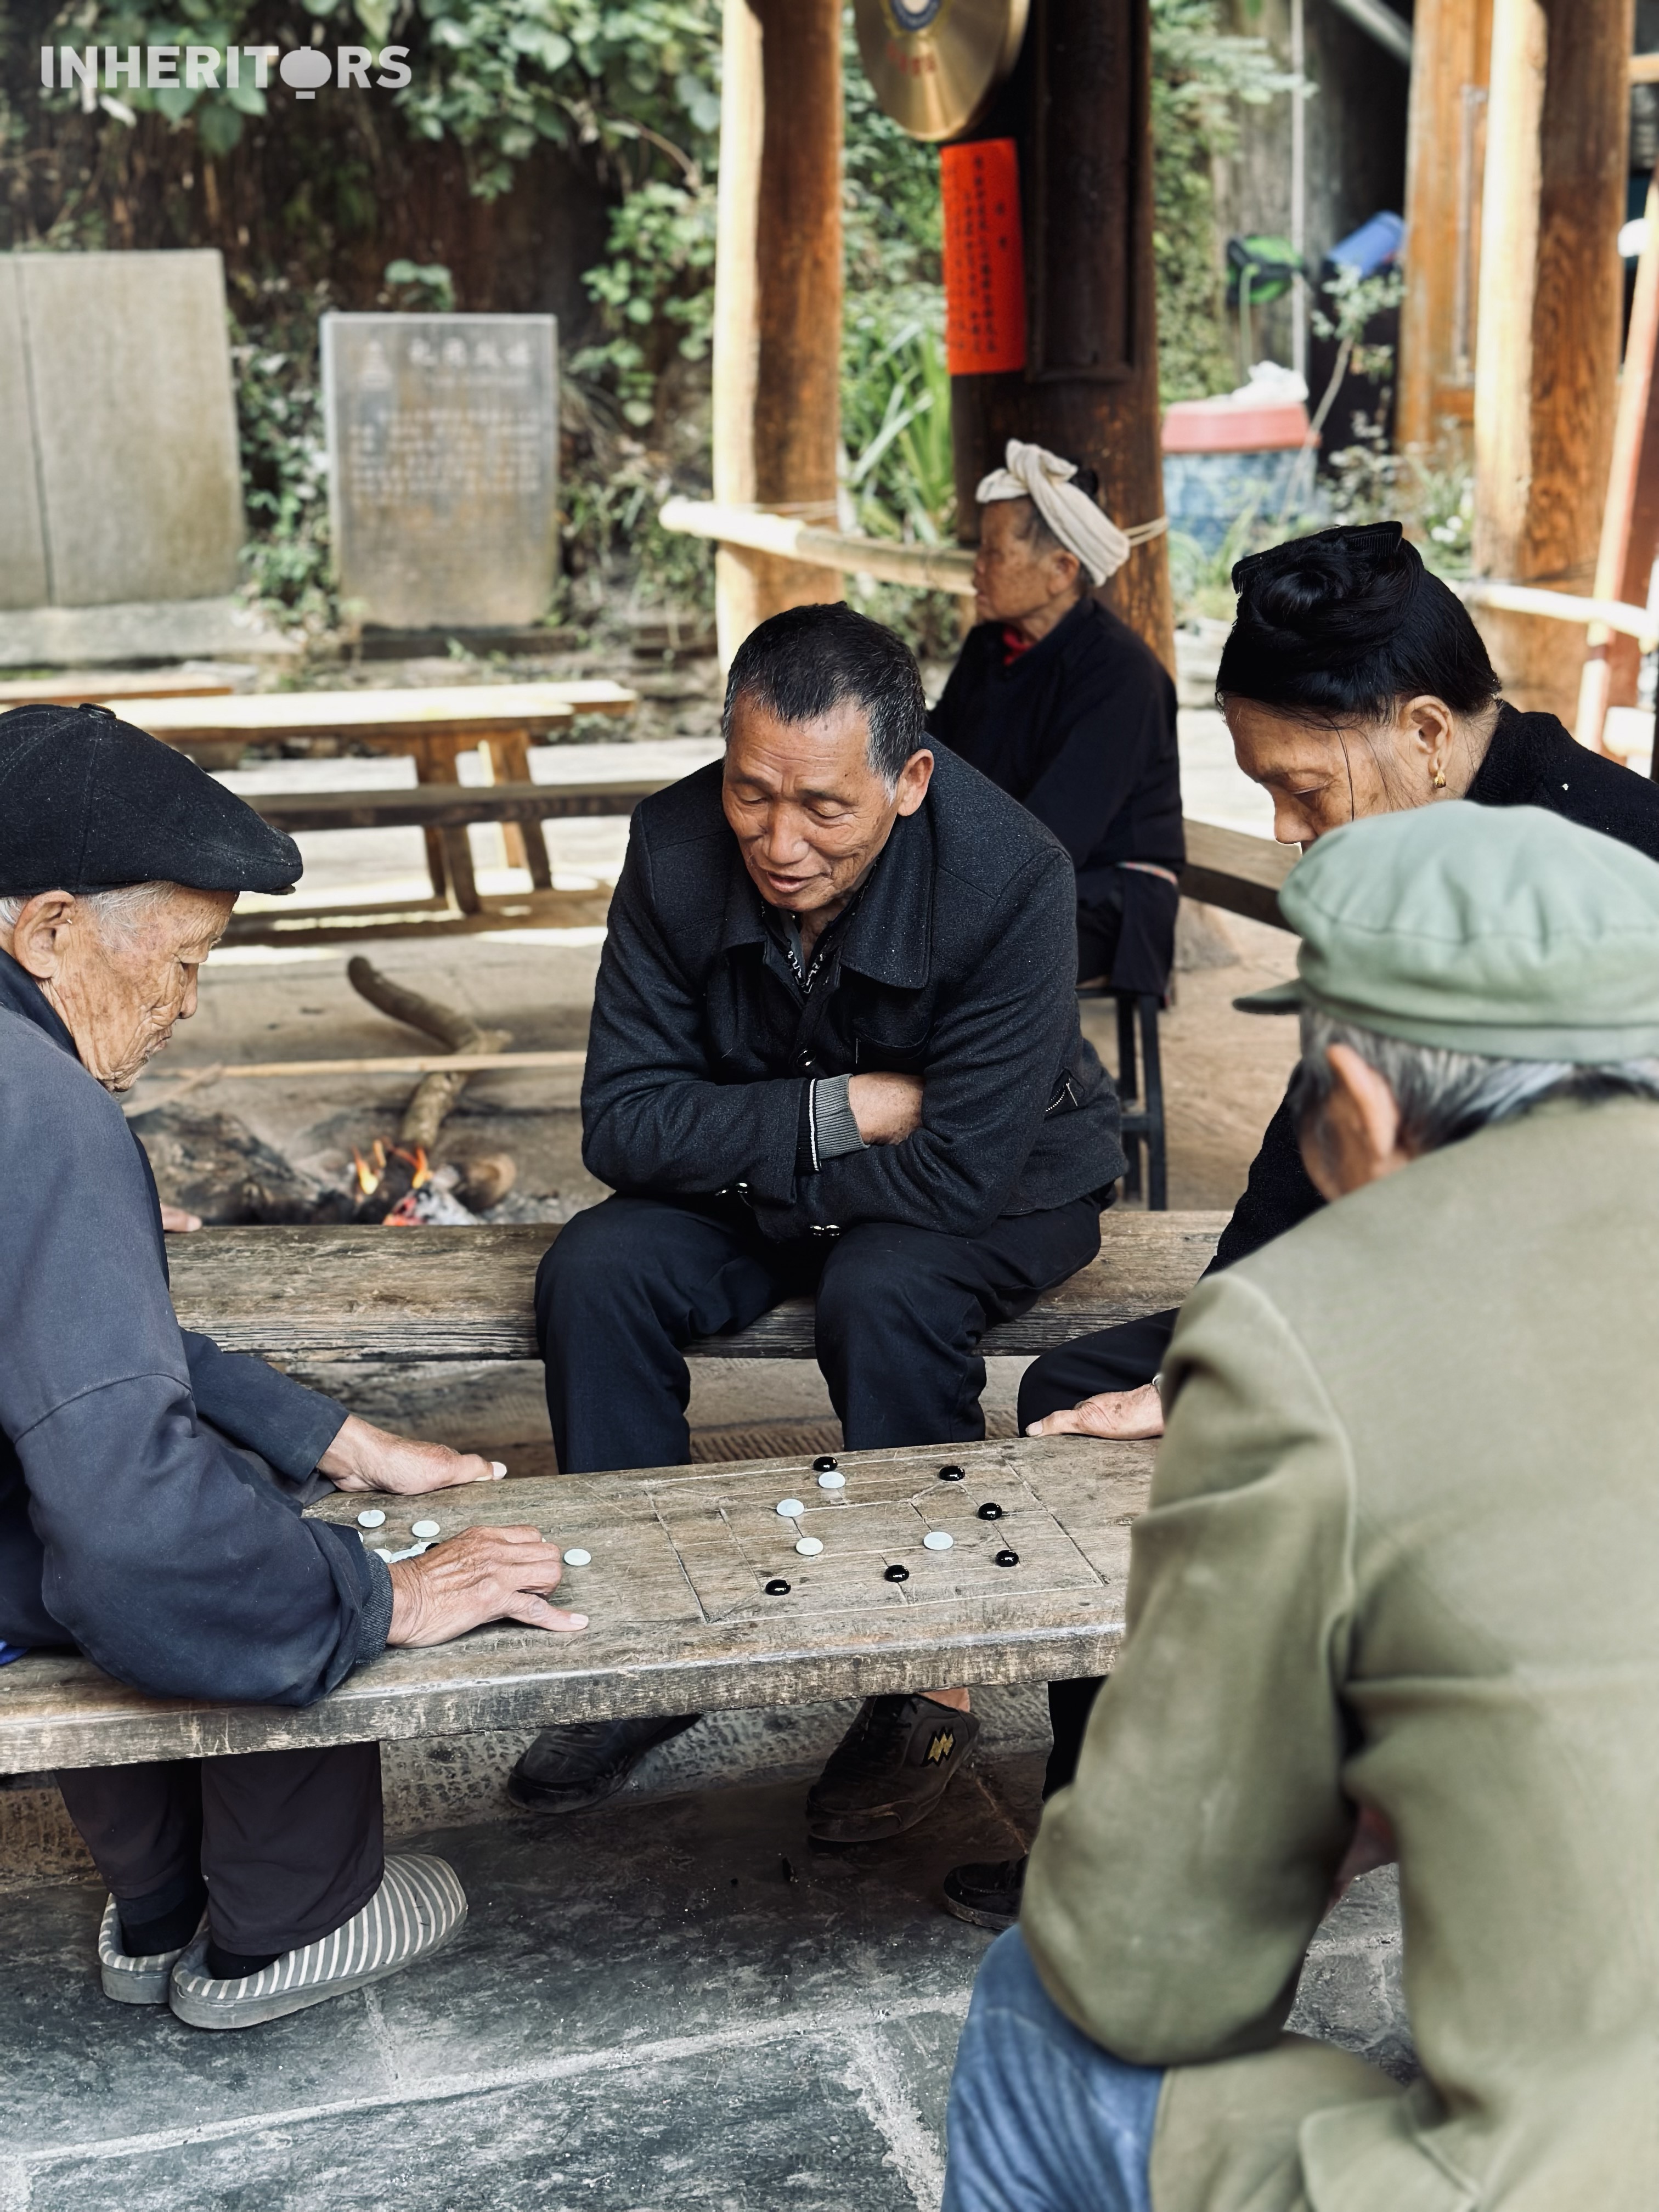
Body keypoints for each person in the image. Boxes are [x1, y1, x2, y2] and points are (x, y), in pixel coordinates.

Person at [941, 517, 1659, 1931]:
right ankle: (1114, 1828)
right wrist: (1210, 1347)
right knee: (1097, 1384)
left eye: (1301, 786)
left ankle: (1238, 1832)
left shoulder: (1612, 859)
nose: (1281, 828)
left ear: (1431, 731)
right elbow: (1303, 1147)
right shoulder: (1411, 845)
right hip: (1434, 1306)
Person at [942, 799, 1659, 2212]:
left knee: (1044, 2005)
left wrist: (1311, 1807)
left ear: (1365, 1110)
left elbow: (1148, 1975)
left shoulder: (1310, 1327)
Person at [0, 704, 588, 2032]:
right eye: (186, 961)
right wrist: (382, 1593)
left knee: (242, 1464)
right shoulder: (41, 1108)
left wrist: (331, 1428)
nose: (188, 1007)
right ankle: (288, 1920)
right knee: (235, 1521)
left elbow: (51, 1341)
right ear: (47, 930)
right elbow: (132, 1528)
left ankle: (159, 1901)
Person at [513, 602, 1124, 1837]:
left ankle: (925, 1674)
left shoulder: (1013, 875)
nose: (779, 844)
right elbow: (620, 1126)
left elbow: (958, 1177)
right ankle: (648, 1648)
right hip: (787, 1168)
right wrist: (834, 1115)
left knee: (888, 1289)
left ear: (909, 778)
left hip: (1010, 1184)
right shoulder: (674, 845)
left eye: (824, 810)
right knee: (596, 1270)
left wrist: (742, 1149)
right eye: (752, 795)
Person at [927, 439, 1183, 997]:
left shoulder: (1123, 676)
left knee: (930, 959)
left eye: (993, 554)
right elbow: (933, 758)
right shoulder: (989, 647)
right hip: (1008, 878)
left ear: (1061, 570)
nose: (977, 570)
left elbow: (1055, 837)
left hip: (1102, 898)